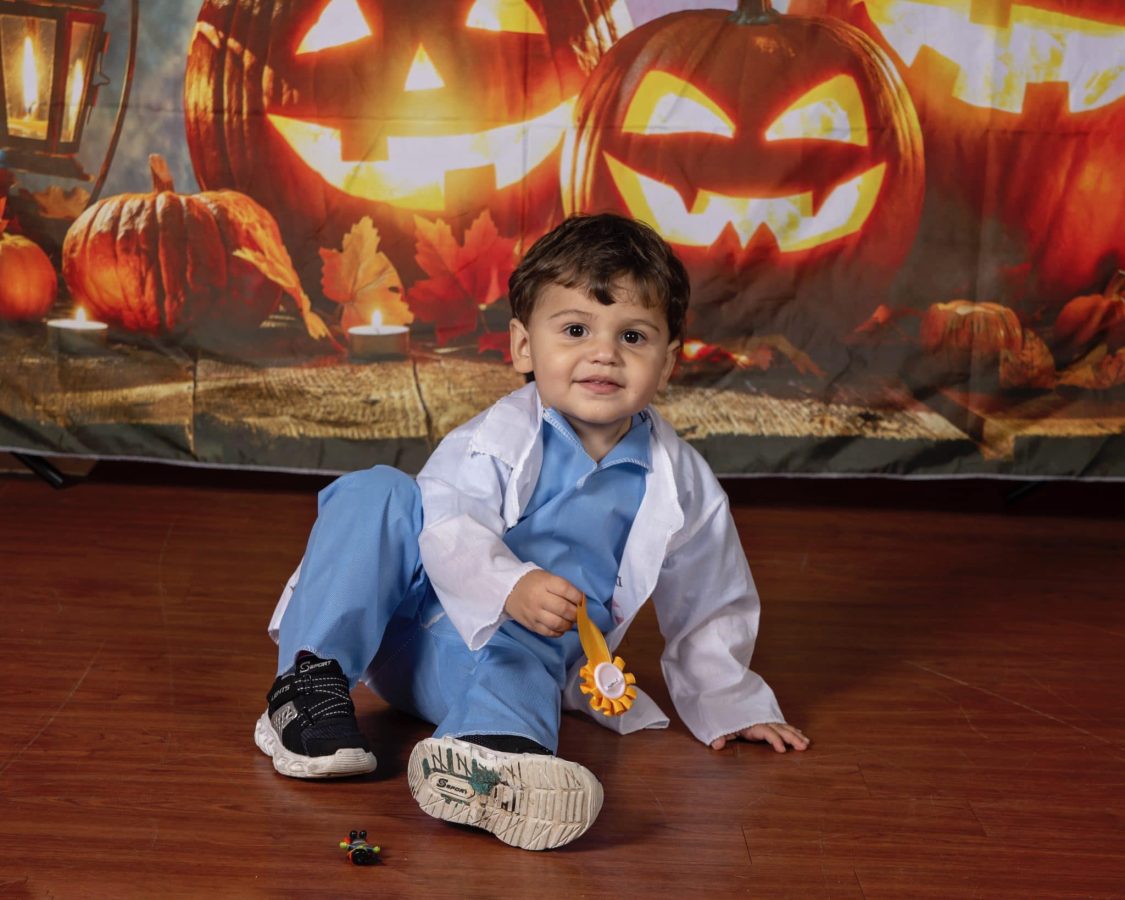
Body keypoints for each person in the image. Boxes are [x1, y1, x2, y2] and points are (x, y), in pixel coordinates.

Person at [255, 213, 809, 852]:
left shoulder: (679, 478)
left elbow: (713, 593)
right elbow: (447, 523)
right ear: (523, 347)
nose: (604, 353)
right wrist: (509, 582)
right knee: (379, 489)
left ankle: (486, 759)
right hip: (398, 623)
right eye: (575, 329)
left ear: (668, 363)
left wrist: (732, 702)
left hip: (496, 661)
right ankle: (308, 682)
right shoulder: (493, 441)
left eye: (633, 335)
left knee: (531, 642)